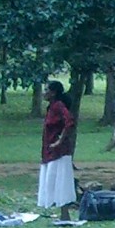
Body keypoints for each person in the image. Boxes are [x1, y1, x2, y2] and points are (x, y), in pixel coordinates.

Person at [38, 80, 77, 217]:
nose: (44, 93)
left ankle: (65, 213)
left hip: (59, 151)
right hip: (49, 150)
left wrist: (60, 141)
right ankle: (61, 212)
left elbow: (70, 121)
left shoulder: (59, 106)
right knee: (52, 179)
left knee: (61, 179)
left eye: (46, 90)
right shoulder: (51, 107)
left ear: (53, 93)